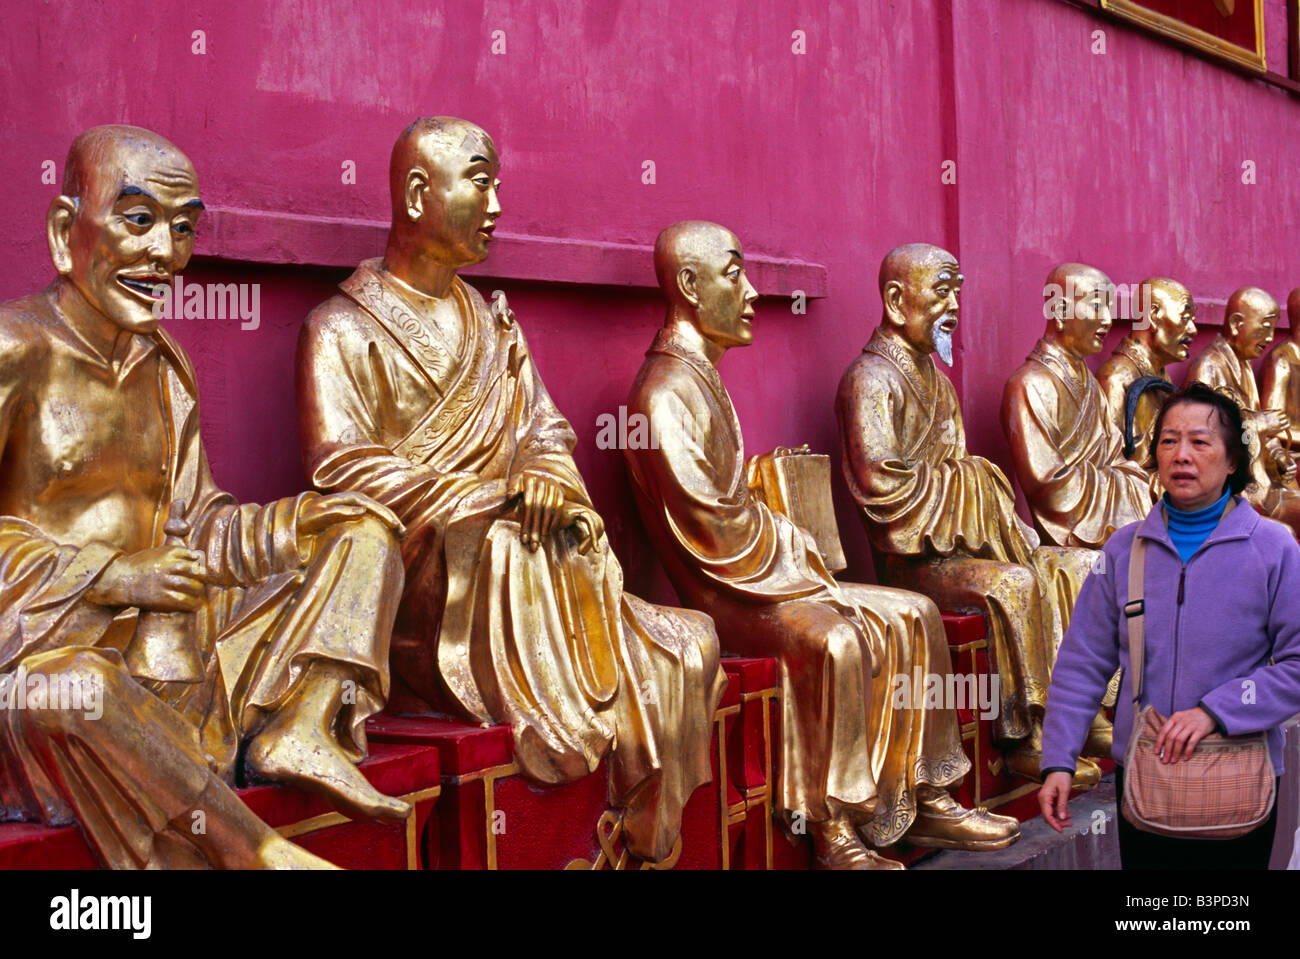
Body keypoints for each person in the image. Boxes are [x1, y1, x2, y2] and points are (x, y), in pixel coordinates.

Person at [296, 118, 725, 864]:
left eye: (498, 183)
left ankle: (632, 808)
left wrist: (537, 477)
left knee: (678, 637)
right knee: (509, 551)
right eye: (481, 180)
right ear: (420, 193)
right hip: (433, 580)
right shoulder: (339, 329)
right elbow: (342, 471)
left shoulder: (494, 327)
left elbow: (546, 432)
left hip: (530, 557)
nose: (497, 203)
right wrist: (484, 499)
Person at [0, 124, 409, 869]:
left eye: (183, 228)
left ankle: (303, 726)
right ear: (67, 229)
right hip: (42, 662)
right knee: (80, 688)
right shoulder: (14, 351)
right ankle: (259, 853)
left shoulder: (164, 368)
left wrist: (297, 525)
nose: (165, 253)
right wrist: (111, 576)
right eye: (138, 219)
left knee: (364, 532)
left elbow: (198, 527)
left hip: (167, 635)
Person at [624, 221, 1020, 869]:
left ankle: (929, 794)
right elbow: (712, 531)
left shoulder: (701, 377)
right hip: (728, 593)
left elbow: (729, 508)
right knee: (834, 639)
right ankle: (833, 823)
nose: (752, 291)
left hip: (767, 574)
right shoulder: (664, 392)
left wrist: (780, 527)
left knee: (914, 612)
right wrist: (792, 537)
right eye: (733, 274)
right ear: (691, 286)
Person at [836, 243, 1109, 784]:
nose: (954, 305)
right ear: (896, 300)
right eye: (942, 290)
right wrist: (973, 483)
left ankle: (1086, 710)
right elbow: (884, 492)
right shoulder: (869, 379)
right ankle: (1027, 735)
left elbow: (957, 465)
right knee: (1012, 583)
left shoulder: (938, 383)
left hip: (966, 542)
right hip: (917, 559)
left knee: (1075, 566)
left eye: (957, 291)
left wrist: (972, 483)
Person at [1039, 383, 1300, 868]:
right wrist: (1058, 759)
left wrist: (1215, 712)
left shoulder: (1274, 548)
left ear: (1232, 462)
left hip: (1239, 774)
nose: (1182, 455)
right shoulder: (1123, 551)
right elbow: (1081, 663)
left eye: (1200, 442)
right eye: (1168, 441)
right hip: (1145, 775)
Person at [1001, 263, 1155, 549]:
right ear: (1060, 311)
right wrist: (1120, 487)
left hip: (1110, 526)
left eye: (1109, 308)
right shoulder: (1029, 384)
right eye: (1097, 306)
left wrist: (1133, 482)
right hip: (1071, 539)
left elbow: (1120, 462)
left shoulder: (1092, 388)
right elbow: (1050, 487)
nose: (1108, 320)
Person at [1185, 286, 1300, 537]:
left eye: (1273, 329)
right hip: (1229, 495)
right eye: (1265, 327)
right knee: (1284, 535)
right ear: (1237, 324)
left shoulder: (1244, 366)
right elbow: (1203, 435)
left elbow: (1263, 431)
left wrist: (1278, 456)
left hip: (1261, 485)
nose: (1270, 338)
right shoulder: (1208, 366)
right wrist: (1257, 424)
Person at [1097, 277, 1197, 463]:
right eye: (1185, 318)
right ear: (1153, 315)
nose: (1193, 330)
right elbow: (1116, 464)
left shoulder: (1160, 375)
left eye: (1192, 320)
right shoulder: (1116, 378)